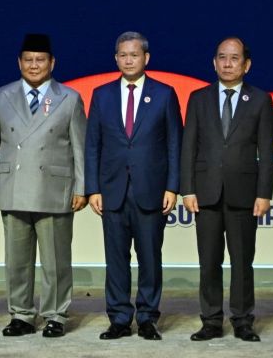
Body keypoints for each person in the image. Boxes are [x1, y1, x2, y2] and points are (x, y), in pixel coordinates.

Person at [0, 33, 86, 338]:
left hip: (53, 188)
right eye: (28, 59)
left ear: (52, 63)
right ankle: (22, 314)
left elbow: (79, 147)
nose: (34, 65)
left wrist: (81, 187)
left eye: (40, 60)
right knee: (16, 260)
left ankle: (55, 314)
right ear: (19, 62)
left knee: (56, 260)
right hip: (12, 187)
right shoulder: (2, 96)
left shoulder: (69, 97)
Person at [84, 31, 182, 340]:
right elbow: (93, 146)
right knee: (115, 260)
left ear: (146, 58)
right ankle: (119, 319)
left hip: (151, 191)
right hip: (111, 191)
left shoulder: (165, 94)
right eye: (123, 55)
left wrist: (172, 187)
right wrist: (93, 189)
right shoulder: (101, 95)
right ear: (116, 58)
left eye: (134, 54)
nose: (128, 59)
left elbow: (173, 146)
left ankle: (149, 318)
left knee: (150, 258)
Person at [181, 36, 273, 342]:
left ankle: (243, 320)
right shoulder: (198, 98)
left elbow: (266, 153)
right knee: (208, 261)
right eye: (222, 57)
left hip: (245, 195)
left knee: (241, 262)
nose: (227, 63)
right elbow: (188, 147)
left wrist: (264, 193)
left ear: (246, 65)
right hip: (206, 193)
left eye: (234, 58)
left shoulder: (260, 99)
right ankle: (210, 320)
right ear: (214, 62)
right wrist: (187, 189)